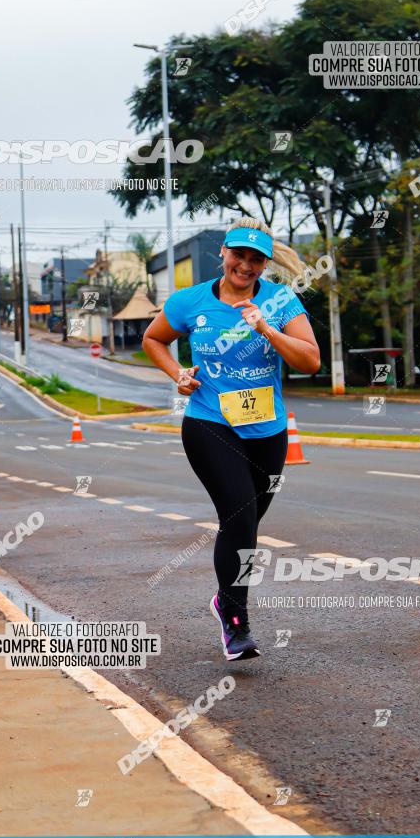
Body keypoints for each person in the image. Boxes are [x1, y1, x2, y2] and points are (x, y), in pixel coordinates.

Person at [142, 217, 320, 660]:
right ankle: (236, 624)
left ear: (264, 263)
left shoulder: (281, 301)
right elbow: (153, 339)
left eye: (255, 259)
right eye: (238, 255)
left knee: (246, 525)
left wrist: (267, 329)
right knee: (240, 517)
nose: (245, 265)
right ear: (223, 252)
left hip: (268, 430)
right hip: (209, 423)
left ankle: (224, 599)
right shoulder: (190, 301)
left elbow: (311, 361)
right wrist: (178, 375)